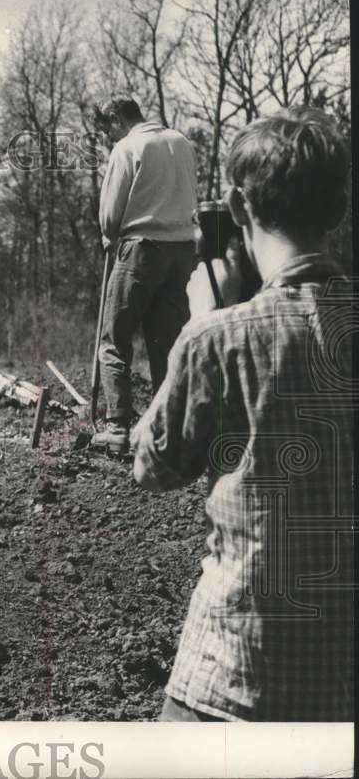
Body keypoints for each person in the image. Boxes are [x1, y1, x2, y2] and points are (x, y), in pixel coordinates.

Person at [131, 107, 354, 722]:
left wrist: (203, 323)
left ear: (236, 207)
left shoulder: (219, 337)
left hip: (237, 673)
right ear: (338, 211)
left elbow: (154, 466)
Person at [90, 95, 199, 454]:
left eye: (109, 130)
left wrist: (110, 234)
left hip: (141, 251)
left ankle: (117, 426)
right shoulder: (181, 142)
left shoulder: (127, 146)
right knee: (166, 342)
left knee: (114, 337)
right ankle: (167, 428)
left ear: (118, 120)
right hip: (183, 252)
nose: (110, 138)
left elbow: (109, 217)